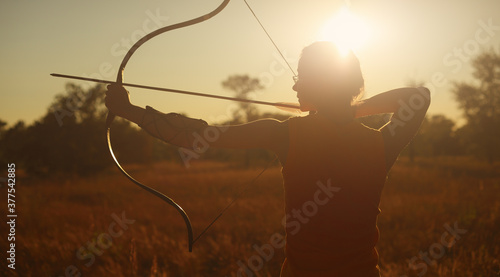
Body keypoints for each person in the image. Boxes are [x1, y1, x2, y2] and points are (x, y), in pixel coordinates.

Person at [105, 41, 430, 276]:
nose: (295, 84)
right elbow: (418, 97)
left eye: (302, 76)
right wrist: (345, 107)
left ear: (321, 83)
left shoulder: (284, 134)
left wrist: (128, 111)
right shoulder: (381, 144)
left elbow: (195, 136)